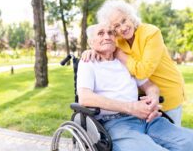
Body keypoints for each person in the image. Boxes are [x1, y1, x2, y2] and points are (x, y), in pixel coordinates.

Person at [77, 23, 193, 151]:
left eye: (111, 33)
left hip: (147, 118)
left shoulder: (124, 61)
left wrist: (153, 98)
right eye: (100, 33)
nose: (107, 37)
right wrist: (131, 108)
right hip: (116, 123)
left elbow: (150, 86)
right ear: (91, 42)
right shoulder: (88, 63)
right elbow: (85, 98)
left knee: (189, 142)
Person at [82, 0, 185, 126]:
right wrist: (92, 50)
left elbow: (142, 71)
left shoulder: (151, 33)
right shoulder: (119, 40)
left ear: (130, 16)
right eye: (116, 26)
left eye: (124, 20)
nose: (123, 28)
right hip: (142, 97)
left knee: (172, 136)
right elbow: (104, 44)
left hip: (167, 91)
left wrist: (120, 54)